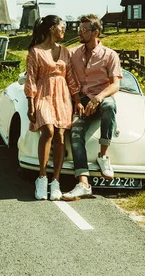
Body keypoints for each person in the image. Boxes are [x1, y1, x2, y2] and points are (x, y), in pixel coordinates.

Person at [62, 14, 122, 201]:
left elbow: (115, 85)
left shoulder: (110, 55)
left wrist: (98, 98)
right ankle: (83, 184)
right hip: (80, 101)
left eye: (84, 30)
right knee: (76, 132)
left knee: (110, 105)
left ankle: (103, 156)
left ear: (96, 33)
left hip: (100, 98)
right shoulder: (73, 54)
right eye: (79, 29)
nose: (80, 32)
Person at [24, 15, 81, 201]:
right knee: (48, 130)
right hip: (43, 94)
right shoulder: (35, 52)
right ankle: (41, 177)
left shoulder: (65, 52)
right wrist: (30, 104)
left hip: (63, 95)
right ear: (51, 29)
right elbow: (31, 79)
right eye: (61, 26)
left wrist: (77, 100)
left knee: (60, 135)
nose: (64, 29)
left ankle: (55, 181)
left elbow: (71, 78)